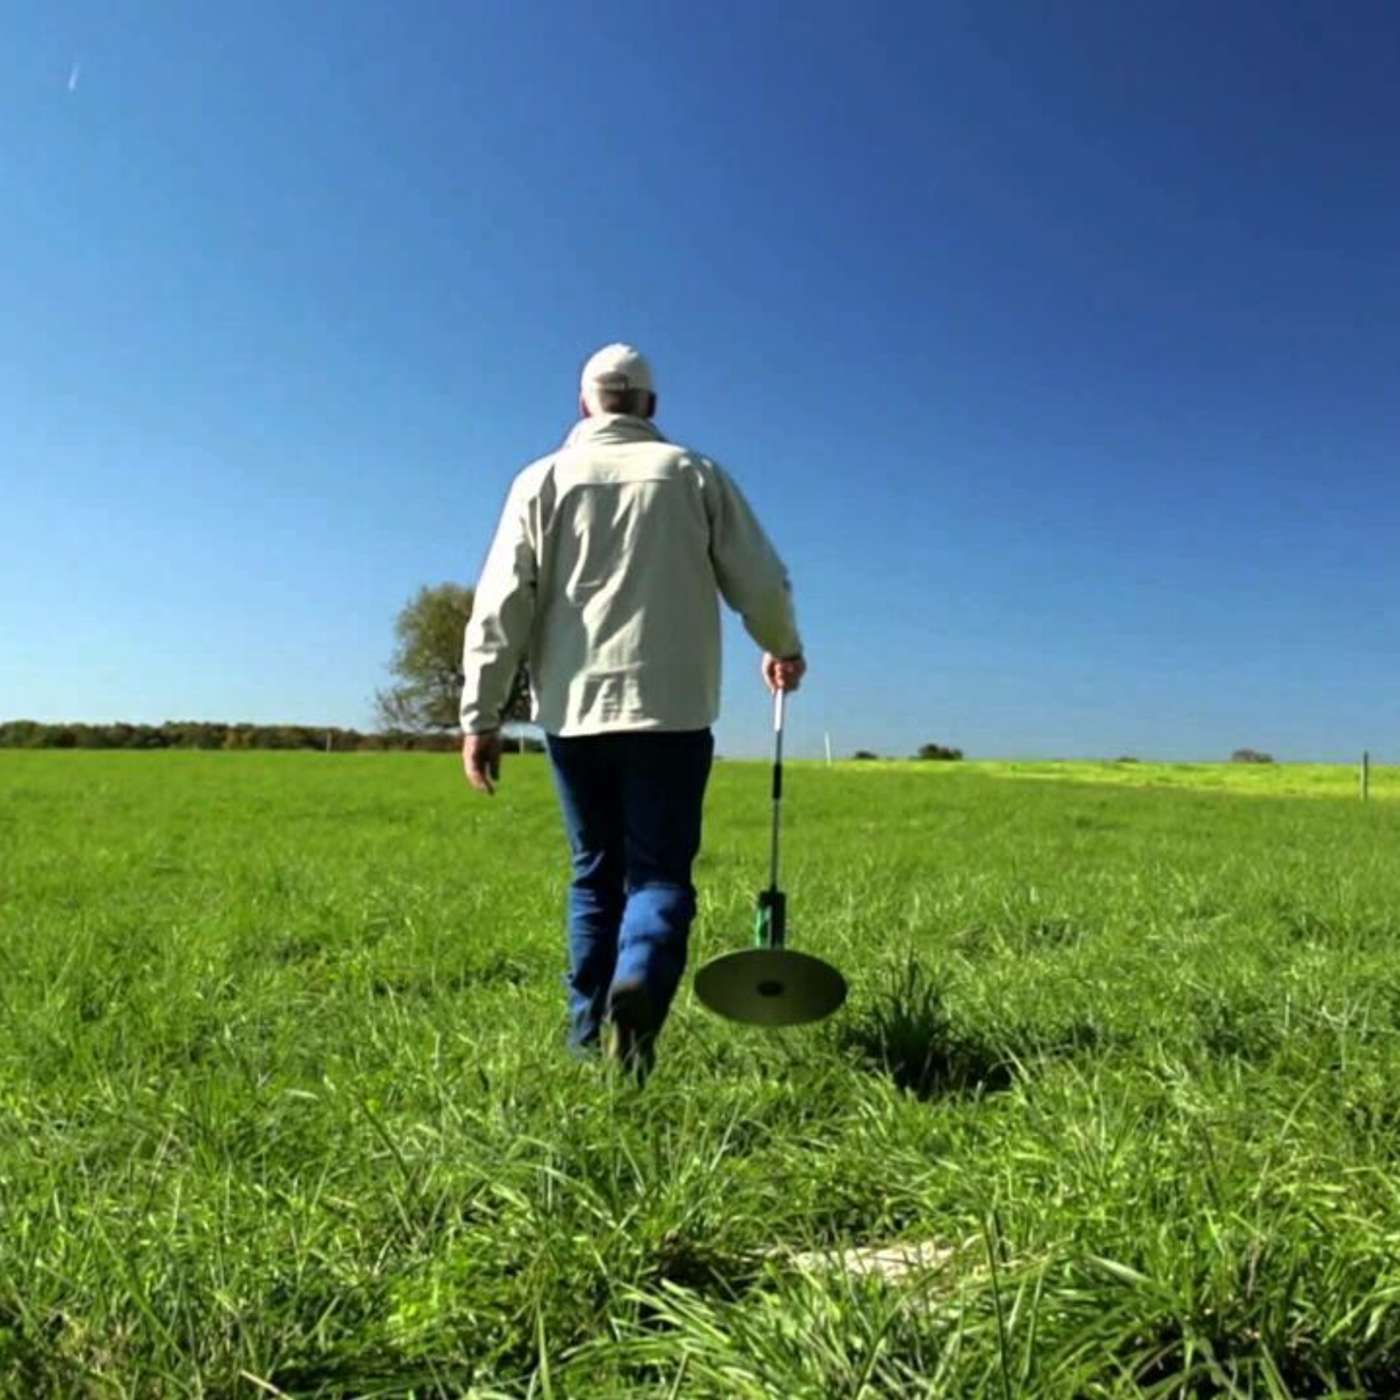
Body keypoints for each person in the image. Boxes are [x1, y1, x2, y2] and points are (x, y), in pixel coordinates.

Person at [459, 344, 805, 1077]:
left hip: (574, 713)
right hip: (672, 710)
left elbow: (500, 605)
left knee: (594, 875)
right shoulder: (692, 474)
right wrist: (783, 646)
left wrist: (480, 715)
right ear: (650, 406)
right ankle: (641, 978)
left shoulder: (540, 481)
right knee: (658, 877)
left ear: (585, 403)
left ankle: (588, 1042)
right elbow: (761, 579)